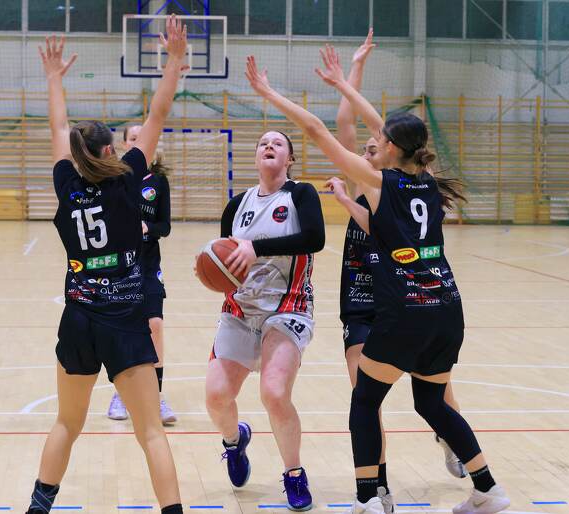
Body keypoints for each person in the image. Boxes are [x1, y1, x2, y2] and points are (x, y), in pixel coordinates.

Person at [245, 48, 510, 514]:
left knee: (365, 401)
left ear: (391, 148)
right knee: (433, 404)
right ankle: (488, 488)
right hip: (447, 309)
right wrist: (344, 86)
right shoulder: (426, 179)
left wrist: (269, 93)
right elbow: (382, 129)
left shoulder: (379, 181)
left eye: (381, 138)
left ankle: (369, 496)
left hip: (405, 312)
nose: (376, 139)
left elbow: (317, 130)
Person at [24, 17, 187, 514]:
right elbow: (158, 112)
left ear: (75, 159)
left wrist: (54, 79)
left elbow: (58, 128)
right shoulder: (129, 177)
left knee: (66, 423)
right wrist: (174, 61)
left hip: (79, 319)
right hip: (124, 320)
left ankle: (38, 507)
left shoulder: (66, 186)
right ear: (112, 150)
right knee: (151, 432)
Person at [325, 31, 467, 514]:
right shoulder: (361, 180)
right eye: (364, 147)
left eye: (377, 145)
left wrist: (351, 75)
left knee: (438, 390)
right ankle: (377, 486)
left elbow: (371, 123)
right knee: (364, 395)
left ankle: (452, 440)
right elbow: (348, 122)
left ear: (390, 152)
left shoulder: (399, 183)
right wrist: (353, 70)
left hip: (407, 295)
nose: (369, 148)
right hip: (363, 295)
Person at [203, 130, 325, 511]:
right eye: (262, 143)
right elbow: (227, 262)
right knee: (216, 396)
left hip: (288, 307)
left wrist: (256, 248)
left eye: (278, 143)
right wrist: (212, 270)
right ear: (256, 157)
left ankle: (294, 474)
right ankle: (234, 441)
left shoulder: (300, 195)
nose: (269, 146)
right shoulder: (236, 206)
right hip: (240, 311)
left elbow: (315, 239)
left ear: (289, 159)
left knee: (274, 393)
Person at [107, 124, 176, 425]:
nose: (140, 142)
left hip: (148, 263)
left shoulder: (159, 181)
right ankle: (121, 394)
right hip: (119, 265)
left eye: (144, 138)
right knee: (123, 330)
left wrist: (148, 228)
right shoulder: (113, 178)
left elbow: (165, 226)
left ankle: (156, 397)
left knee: (155, 325)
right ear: (124, 144)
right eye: (134, 138)